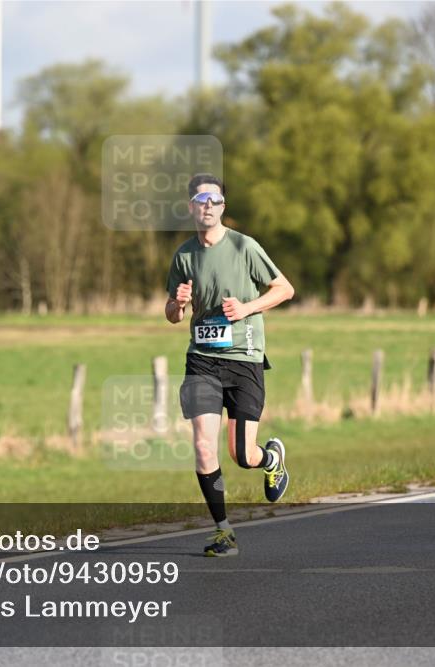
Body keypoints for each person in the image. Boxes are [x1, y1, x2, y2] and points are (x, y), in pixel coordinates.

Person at [165, 173, 295, 557]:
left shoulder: (244, 247)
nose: (209, 206)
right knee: (205, 448)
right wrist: (179, 303)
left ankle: (270, 458)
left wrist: (247, 308)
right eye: (202, 200)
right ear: (191, 206)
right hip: (202, 361)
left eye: (216, 200)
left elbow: (285, 289)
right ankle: (224, 532)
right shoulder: (184, 255)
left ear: (223, 207)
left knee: (242, 454)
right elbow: (172, 316)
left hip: (244, 359)